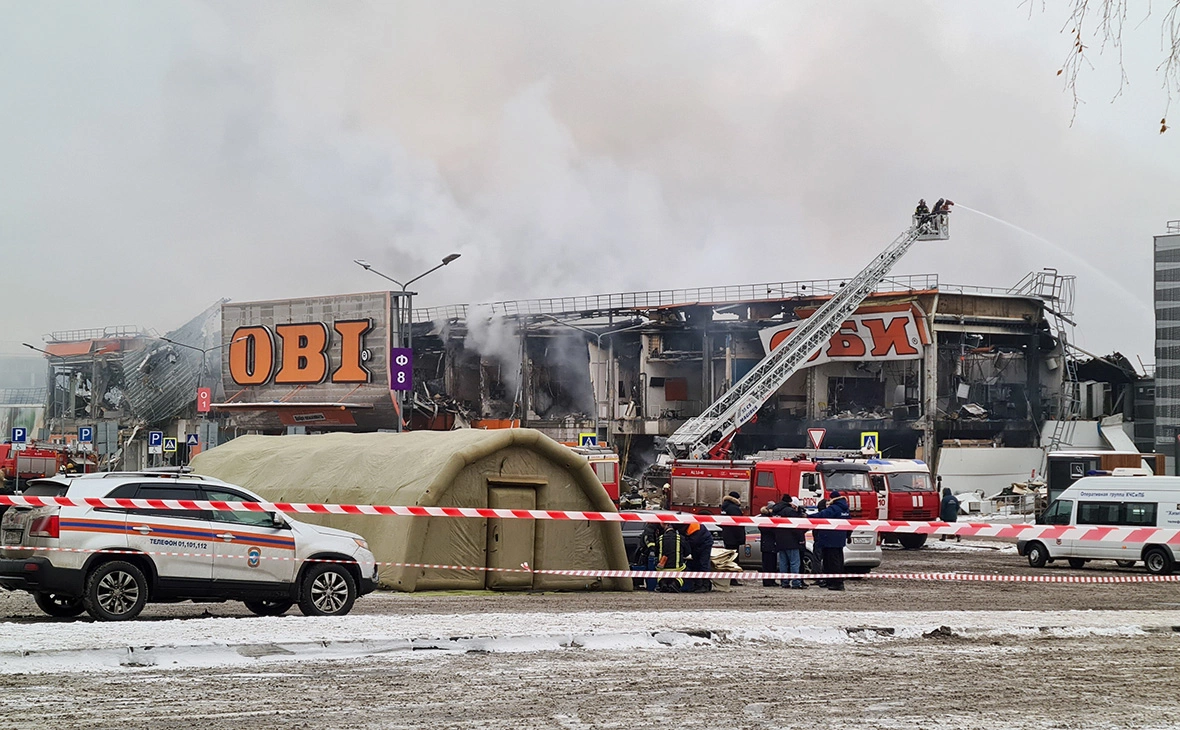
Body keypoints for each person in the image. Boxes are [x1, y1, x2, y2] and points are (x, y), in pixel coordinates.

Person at [814, 490, 851, 591]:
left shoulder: (834, 508)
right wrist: (848, 535)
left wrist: (807, 517)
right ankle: (836, 581)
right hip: (839, 540)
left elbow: (821, 515)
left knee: (830, 562)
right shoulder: (846, 509)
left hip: (829, 539)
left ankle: (835, 583)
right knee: (838, 561)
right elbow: (849, 524)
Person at [774, 496, 808, 589]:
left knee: (783, 563)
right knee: (794, 563)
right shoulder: (790, 511)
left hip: (780, 541)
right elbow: (796, 527)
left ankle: (784, 582)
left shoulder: (776, 511)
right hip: (792, 541)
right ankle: (796, 582)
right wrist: (801, 537)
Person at [719, 491, 745, 586]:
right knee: (734, 559)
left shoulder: (724, 507)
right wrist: (740, 538)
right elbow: (738, 524)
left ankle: (729, 578)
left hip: (727, 536)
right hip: (734, 538)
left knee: (728, 558)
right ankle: (733, 579)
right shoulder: (734, 509)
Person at [656, 523, 689, 593]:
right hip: (677, 567)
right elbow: (687, 551)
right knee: (686, 570)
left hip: (662, 567)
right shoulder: (681, 538)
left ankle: (662, 583)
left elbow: (656, 552)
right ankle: (675, 584)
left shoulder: (660, 538)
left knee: (661, 574)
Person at [683, 520, 715, 592]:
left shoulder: (694, 528)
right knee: (696, 564)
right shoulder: (685, 525)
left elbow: (692, 542)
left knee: (703, 564)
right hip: (699, 544)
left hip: (705, 543)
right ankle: (698, 585)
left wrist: (685, 551)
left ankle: (705, 585)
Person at [634, 522, 663, 591]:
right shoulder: (651, 528)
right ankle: (638, 584)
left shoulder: (659, 528)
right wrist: (652, 550)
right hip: (646, 551)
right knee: (643, 567)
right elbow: (649, 539)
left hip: (653, 552)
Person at [758, 502, 779, 587]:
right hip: (768, 544)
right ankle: (768, 581)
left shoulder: (766, 517)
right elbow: (767, 530)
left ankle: (770, 580)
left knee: (770, 564)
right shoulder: (765, 519)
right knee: (769, 564)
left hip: (767, 544)